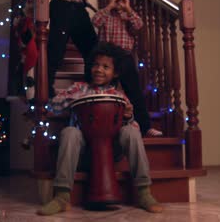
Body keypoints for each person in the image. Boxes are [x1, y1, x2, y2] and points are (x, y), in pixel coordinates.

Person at [37, 42, 163, 216]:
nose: (99, 69)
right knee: (69, 132)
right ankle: (62, 196)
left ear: (115, 72)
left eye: (106, 67)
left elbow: (129, 127)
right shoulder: (79, 88)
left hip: (110, 150)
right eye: (96, 65)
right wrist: (72, 97)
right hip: (83, 150)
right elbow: (53, 107)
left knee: (132, 131)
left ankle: (144, 192)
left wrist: (128, 116)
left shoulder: (119, 96)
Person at [92, 0, 163, 137]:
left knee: (134, 91)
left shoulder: (128, 16)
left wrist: (128, 9)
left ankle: (145, 127)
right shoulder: (105, 13)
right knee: (102, 92)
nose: (118, 0)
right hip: (106, 58)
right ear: (108, 0)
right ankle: (102, 126)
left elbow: (139, 26)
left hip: (124, 56)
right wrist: (109, 7)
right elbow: (95, 21)